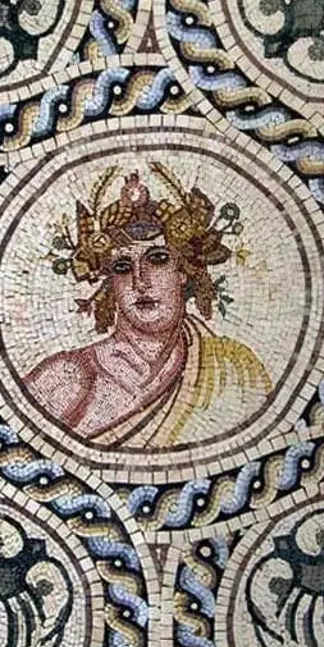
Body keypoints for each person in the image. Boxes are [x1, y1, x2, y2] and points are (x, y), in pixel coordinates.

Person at [24, 167, 271, 446]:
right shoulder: (68, 378)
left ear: (183, 270)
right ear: (110, 282)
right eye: (122, 267)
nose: (140, 281)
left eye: (157, 259)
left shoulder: (236, 368)